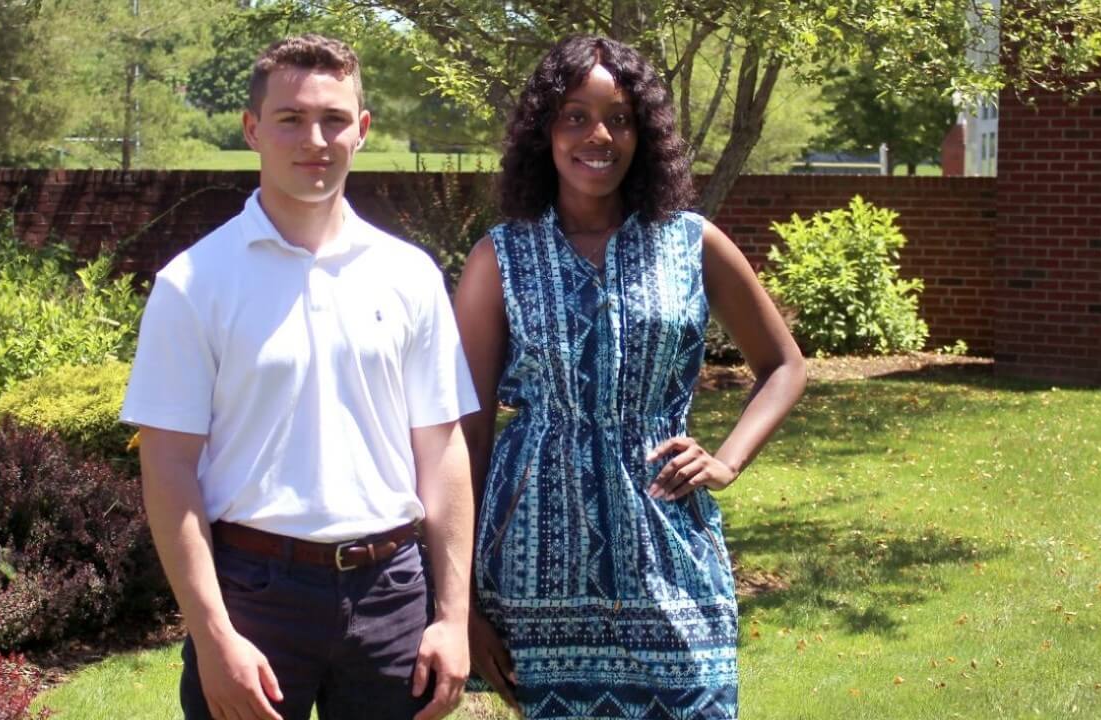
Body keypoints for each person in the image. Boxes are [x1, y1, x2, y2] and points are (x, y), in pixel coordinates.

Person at [121, 34, 477, 720]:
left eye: (335, 119)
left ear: (363, 131)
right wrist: (213, 633)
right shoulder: (194, 283)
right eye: (290, 119)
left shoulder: (410, 275)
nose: (315, 139)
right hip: (255, 597)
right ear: (254, 129)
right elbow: (167, 470)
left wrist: (452, 617)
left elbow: (443, 450)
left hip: (392, 594)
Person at [454, 35, 806, 720]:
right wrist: (458, 600)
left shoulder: (690, 241)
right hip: (536, 564)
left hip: (668, 544)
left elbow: (784, 366)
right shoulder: (501, 258)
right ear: (544, 131)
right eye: (576, 116)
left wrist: (728, 461)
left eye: (619, 117)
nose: (600, 135)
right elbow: (463, 433)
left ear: (644, 133)